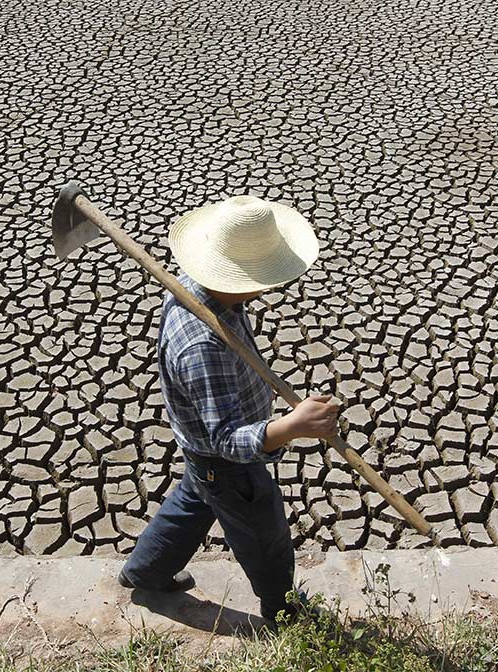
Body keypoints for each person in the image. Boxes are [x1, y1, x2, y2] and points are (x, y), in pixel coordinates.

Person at [117, 194, 340, 622]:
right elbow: (225, 439)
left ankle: (145, 572)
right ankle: (285, 612)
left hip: (202, 455)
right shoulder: (204, 345)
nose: (268, 285)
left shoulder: (201, 288)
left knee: (192, 502)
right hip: (226, 461)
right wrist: (293, 425)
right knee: (265, 537)